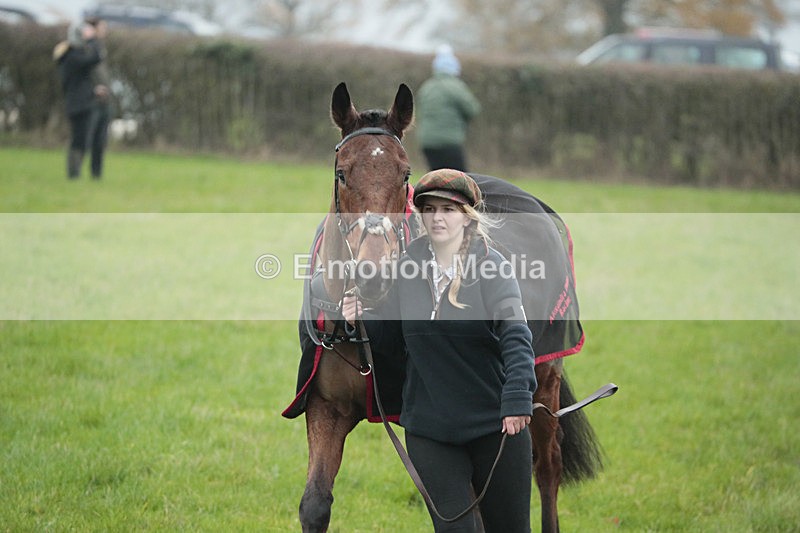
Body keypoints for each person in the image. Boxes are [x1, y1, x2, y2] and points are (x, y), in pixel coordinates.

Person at [343, 169, 536, 532]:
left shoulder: (493, 268)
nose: (437, 218)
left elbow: (516, 335)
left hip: (496, 427)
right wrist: (363, 320)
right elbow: (391, 346)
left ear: (467, 215)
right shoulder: (406, 270)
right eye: (428, 209)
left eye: (448, 209)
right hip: (429, 430)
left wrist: (516, 397)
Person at [53, 17, 110, 179]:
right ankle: (73, 174)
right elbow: (95, 58)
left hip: (82, 101)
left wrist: (94, 91)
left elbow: (82, 81)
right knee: (79, 140)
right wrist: (92, 39)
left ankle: (76, 174)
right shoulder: (72, 56)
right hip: (78, 104)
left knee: (82, 140)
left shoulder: (71, 56)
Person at [416, 45, 482, 172]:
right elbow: (472, 109)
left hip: (427, 142)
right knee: (461, 180)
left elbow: (419, 113)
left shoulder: (426, 87)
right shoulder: (455, 86)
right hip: (450, 142)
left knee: (435, 179)